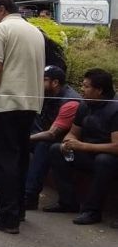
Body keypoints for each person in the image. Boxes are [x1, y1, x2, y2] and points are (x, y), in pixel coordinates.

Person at [0, 0, 45, 234]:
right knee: (19, 159)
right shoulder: (34, 31)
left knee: (4, 161)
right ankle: (17, 210)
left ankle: (7, 218)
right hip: (30, 104)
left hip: (6, 104)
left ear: (1, 9)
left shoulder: (0, 31)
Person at [44, 69, 118, 225]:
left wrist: (83, 146)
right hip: (87, 153)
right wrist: (68, 142)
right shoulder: (85, 105)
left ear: (99, 90)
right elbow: (73, 133)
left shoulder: (114, 109)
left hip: (108, 157)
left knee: (104, 161)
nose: (82, 90)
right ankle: (68, 202)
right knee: (56, 150)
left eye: (86, 86)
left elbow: (116, 147)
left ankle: (92, 211)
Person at [22, 66, 83, 210]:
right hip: (52, 138)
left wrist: (26, 138)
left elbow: (52, 134)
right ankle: (9, 184)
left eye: (44, 79)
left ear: (55, 83)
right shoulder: (49, 94)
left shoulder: (70, 102)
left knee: (43, 145)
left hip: (68, 144)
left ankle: (29, 196)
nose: (39, 82)